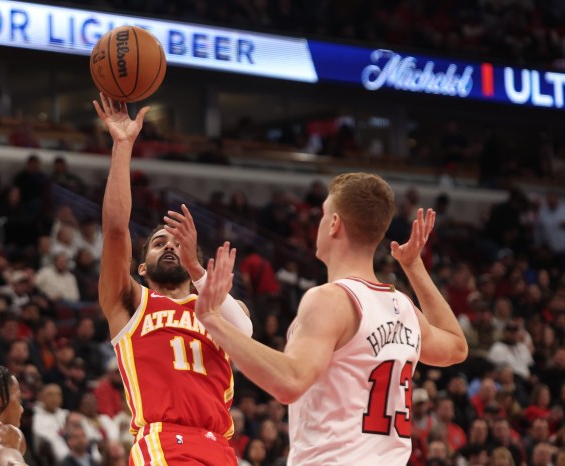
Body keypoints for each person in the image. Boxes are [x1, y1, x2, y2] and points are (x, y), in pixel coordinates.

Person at [195, 172, 468, 465]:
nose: (320, 223)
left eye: (324, 214)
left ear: (335, 223)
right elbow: (456, 346)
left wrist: (213, 319)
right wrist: (413, 266)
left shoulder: (330, 299)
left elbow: (290, 381)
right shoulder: (403, 307)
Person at [93, 93, 253, 465]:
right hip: (166, 442)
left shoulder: (217, 308)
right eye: (157, 243)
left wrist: (200, 273)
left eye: (176, 242)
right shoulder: (130, 302)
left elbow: (246, 337)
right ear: (142, 268)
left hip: (221, 447)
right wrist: (122, 146)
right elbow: (116, 229)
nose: (168, 246)